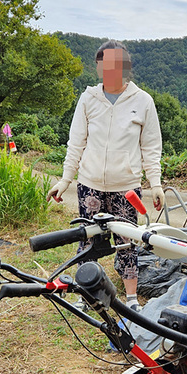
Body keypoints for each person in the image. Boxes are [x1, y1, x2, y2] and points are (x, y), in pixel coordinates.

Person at [48, 40, 163, 308]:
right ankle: (86, 296)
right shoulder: (89, 99)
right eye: (105, 64)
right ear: (98, 67)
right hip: (90, 185)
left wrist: (155, 184)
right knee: (88, 240)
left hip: (127, 188)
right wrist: (65, 180)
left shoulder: (143, 101)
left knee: (127, 243)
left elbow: (151, 146)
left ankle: (132, 299)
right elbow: (76, 142)